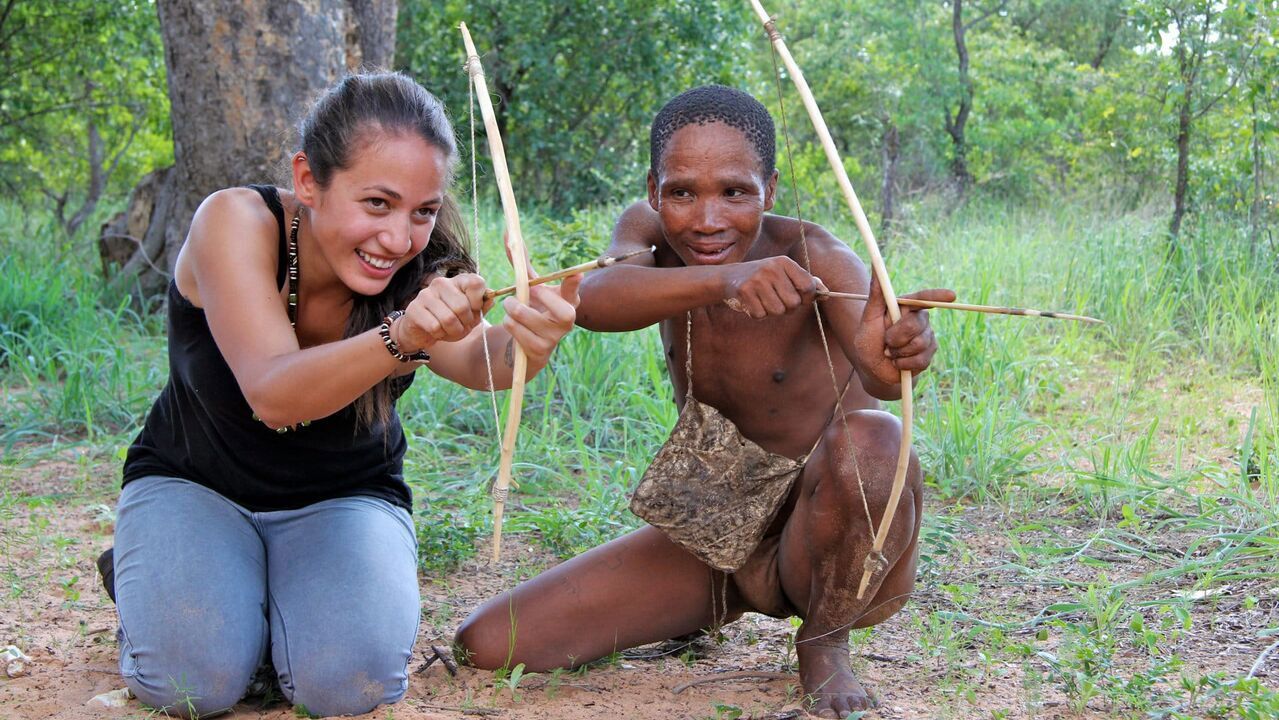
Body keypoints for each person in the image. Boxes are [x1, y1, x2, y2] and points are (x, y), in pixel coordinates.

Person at [455, 85, 953, 717]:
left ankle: (824, 641)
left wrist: (899, 353)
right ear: (654, 188)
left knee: (875, 438)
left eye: (735, 192)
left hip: (830, 546)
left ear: (770, 190)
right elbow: (599, 299)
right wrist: (725, 280)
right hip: (718, 526)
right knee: (491, 643)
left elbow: (883, 379)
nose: (708, 219)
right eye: (682, 192)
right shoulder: (649, 236)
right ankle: (709, 605)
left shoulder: (817, 256)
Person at [107, 71, 579, 718]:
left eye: (423, 210)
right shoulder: (236, 222)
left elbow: (480, 362)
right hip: (194, 485)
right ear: (308, 180)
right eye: (377, 204)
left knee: (350, 688)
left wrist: (531, 342)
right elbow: (273, 394)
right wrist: (402, 333)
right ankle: (163, 579)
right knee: (192, 688)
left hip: (345, 497)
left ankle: (256, 598)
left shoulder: (421, 263)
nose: (398, 239)